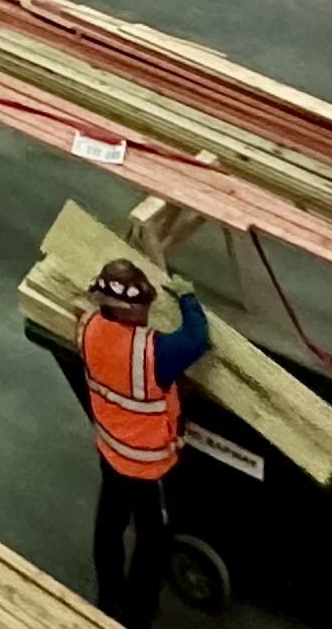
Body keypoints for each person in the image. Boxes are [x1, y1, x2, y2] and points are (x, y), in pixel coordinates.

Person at [81, 255, 210, 628]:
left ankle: (108, 597)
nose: (145, 315)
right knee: (152, 537)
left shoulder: (87, 328)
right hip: (147, 466)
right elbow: (196, 338)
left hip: (110, 450)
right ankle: (138, 613)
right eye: (141, 308)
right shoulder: (152, 352)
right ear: (126, 310)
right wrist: (188, 299)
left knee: (109, 525)